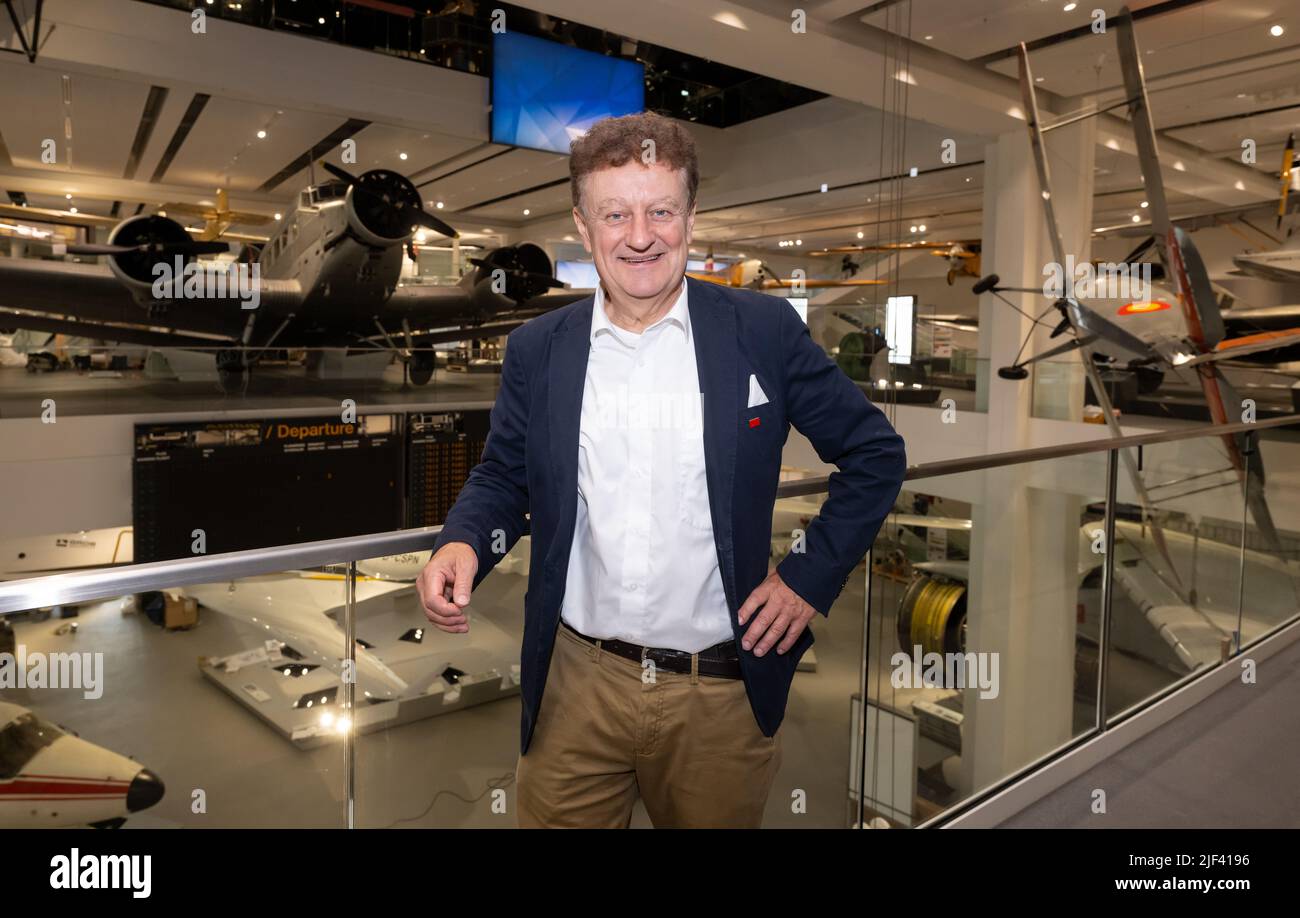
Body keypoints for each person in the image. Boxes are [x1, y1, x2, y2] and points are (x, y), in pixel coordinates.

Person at [416, 111, 906, 828]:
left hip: (719, 695)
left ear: (691, 217)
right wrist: (462, 541)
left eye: (660, 211)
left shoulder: (760, 333)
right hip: (574, 685)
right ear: (583, 228)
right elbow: (504, 477)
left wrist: (807, 577)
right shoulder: (537, 350)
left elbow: (875, 455)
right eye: (615, 214)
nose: (639, 236)